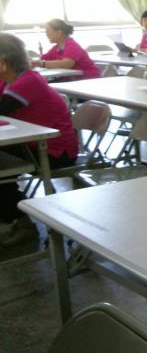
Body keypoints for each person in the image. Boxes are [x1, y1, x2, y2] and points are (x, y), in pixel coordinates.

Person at [0, 33, 78, 247]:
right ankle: (10, 214)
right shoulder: (8, 81)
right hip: (31, 144)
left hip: (55, 152)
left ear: (3, 64)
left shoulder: (28, 82)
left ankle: (22, 222)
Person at [30, 19, 100, 80]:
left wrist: (41, 64)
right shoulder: (56, 48)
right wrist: (30, 61)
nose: (46, 34)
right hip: (72, 79)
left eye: (47, 31)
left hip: (87, 79)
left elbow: (67, 64)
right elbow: (42, 58)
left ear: (59, 33)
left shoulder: (72, 45)